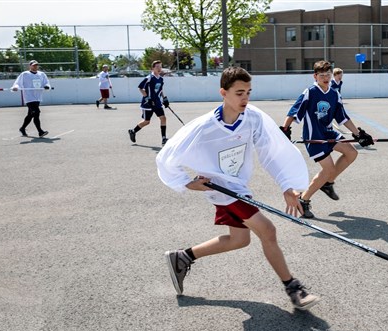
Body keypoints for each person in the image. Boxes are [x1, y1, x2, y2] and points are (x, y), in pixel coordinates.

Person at [156, 66, 320, 310]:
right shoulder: (204, 127)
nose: (245, 98)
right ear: (223, 92)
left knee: (239, 240)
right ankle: (293, 288)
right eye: (239, 93)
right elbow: (167, 156)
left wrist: (287, 185)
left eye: (248, 92)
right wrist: (188, 183)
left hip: (238, 187)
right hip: (222, 189)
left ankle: (183, 257)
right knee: (268, 230)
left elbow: (272, 151)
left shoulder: (253, 118)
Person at [280, 60, 374, 219]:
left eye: (328, 75)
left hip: (329, 133)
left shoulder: (334, 94)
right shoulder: (310, 92)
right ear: (315, 76)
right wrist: (285, 129)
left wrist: (358, 134)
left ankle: (327, 182)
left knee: (351, 153)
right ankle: (304, 199)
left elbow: (342, 118)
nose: (325, 78)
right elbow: (294, 111)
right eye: (322, 75)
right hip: (314, 136)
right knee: (328, 169)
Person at [128, 60, 170, 145]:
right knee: (146, 121)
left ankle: (163, 138)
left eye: (160, 67)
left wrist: (164, 98)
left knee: (163, 118)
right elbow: (140, 88)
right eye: (157, 67)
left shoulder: (161, 79)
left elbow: (160, 90)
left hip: (157, 102)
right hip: (148, 103)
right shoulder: (149, 77)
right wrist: (147, 98)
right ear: (152, 68)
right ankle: (133, 131)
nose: (159, 68)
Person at [11, 60, 51, 137]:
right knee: (37, 112)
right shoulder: (25, 74)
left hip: (37, 97)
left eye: (36, 65)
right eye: (33, 65)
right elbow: (17, 83)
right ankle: (40, 131)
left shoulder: (41, 74)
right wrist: (15, 87)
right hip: (29, 97)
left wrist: (47, 86)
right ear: (30, 66)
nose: (35, 66)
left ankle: (22, 128)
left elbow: (46, 82)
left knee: (31, 114)